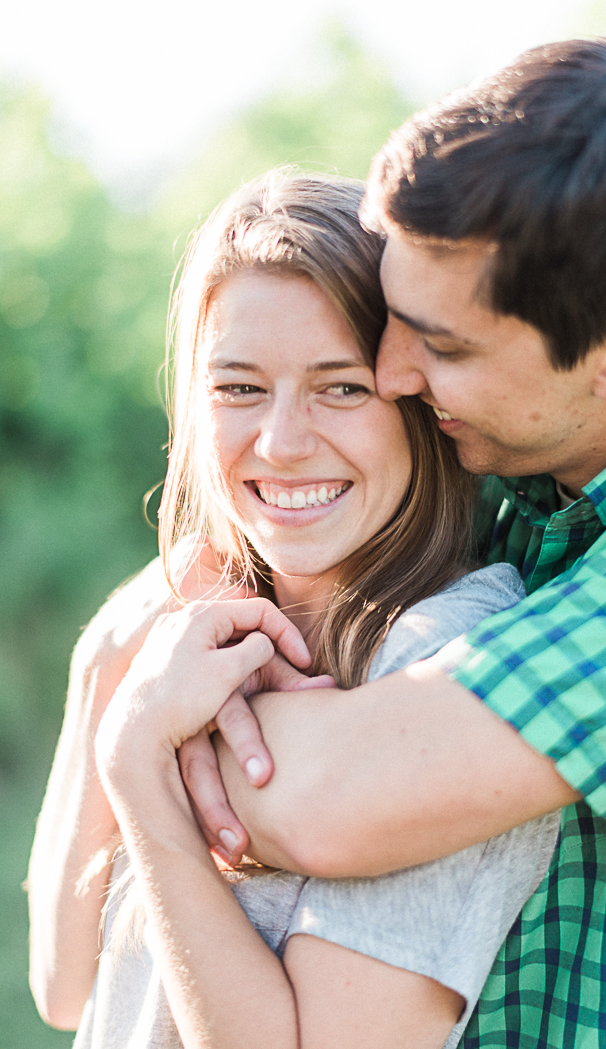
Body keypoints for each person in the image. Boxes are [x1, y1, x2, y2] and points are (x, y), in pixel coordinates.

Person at [173, 39, 606, 1048]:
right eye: (397, 318)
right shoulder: (516, 467)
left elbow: (334, 798)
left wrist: (145, 726)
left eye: (443, 344)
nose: (395, 373)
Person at [27, 172, 559, 1049]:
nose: (280, 441)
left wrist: (137, 764)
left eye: (340, 387)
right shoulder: (186, 635)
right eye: (239, 388)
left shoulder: (443, 659)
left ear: (419, 405)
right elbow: (65, 984)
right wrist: (106, 665)